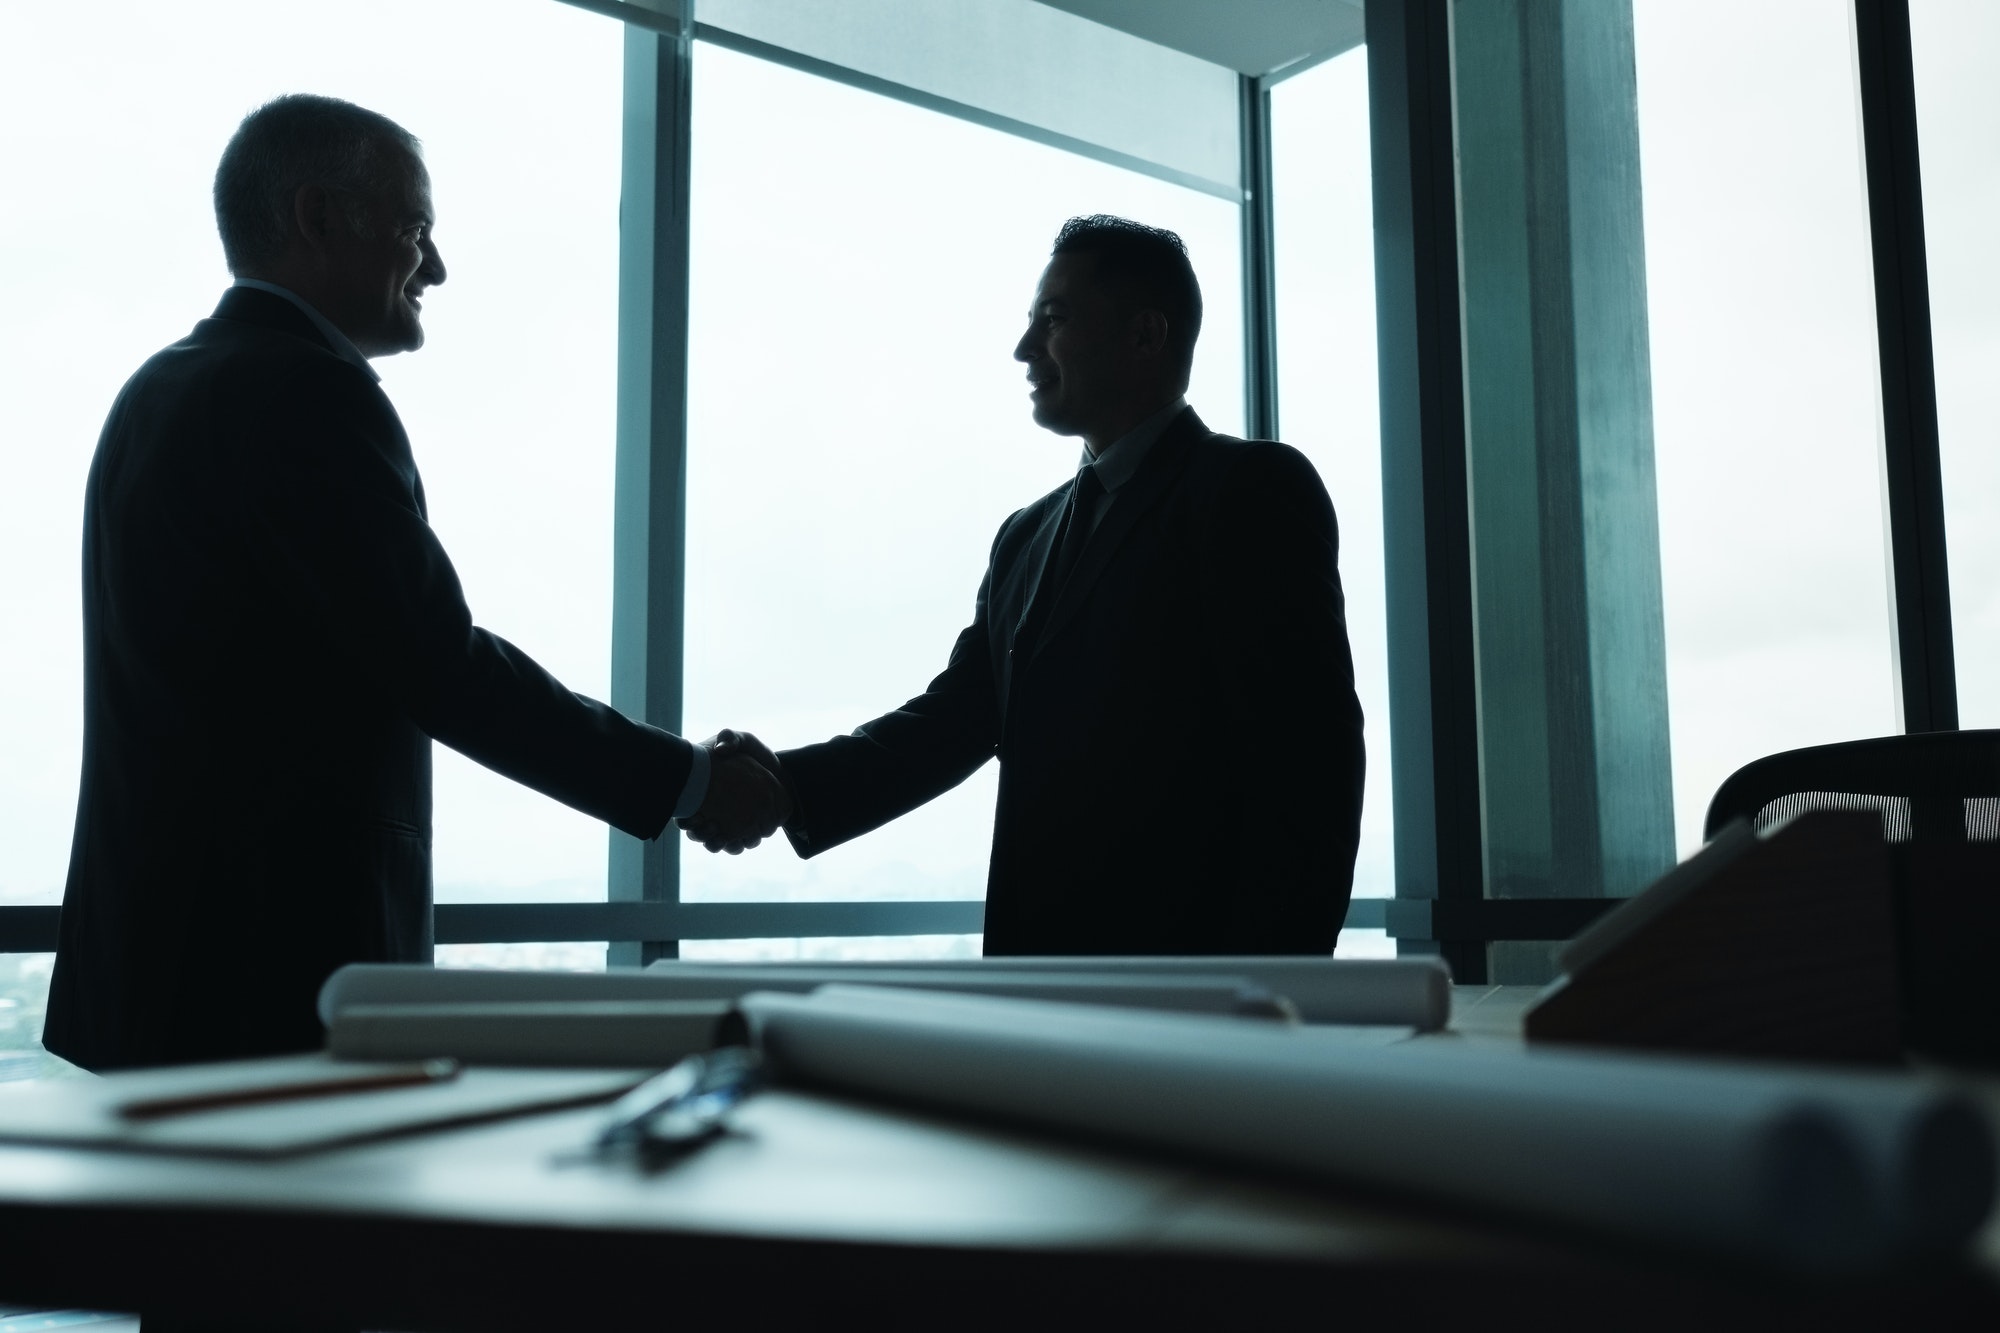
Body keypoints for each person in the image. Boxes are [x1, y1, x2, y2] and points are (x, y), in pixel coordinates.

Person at [46, 95, 788, 1072]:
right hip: (268, 976)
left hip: (147, 969)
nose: (435, 268)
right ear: (317, 216)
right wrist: (688, 781)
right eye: (413, 230)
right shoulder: (305, 390)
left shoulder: (155, 390)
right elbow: (438, 662)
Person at [685, 216, 1364, 955]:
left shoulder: (1250, 490)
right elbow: (956, 719)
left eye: (1054, 319)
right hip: (1035, 972)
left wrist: (1273, 987)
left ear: (1145, 335)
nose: (1024, 348)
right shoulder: (1024, 537)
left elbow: (1310, 765)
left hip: (1191, 985)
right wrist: (787, 784)